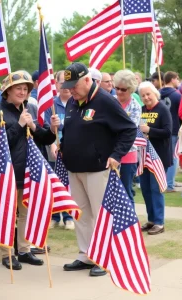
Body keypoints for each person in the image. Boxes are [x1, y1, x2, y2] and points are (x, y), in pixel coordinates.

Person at [60, 62, 136, 277]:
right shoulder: (72, 103)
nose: (71, 90)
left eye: (74, 85)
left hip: (98, 168)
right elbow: (70, 129)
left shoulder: (105, 101)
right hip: (74, 167)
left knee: (102, 214)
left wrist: (116, 155)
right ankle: (85, 254)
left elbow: (129, 129)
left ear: (87, 80)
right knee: (81, 215)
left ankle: (105, 257)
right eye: (68, 86)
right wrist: (64, 147)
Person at [0, 70, 60, 271]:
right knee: (7, 214)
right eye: (18, 88)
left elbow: (46, 139)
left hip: (29, 171)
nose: (22, 92)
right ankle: (7, 253)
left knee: (25, 213)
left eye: (25, 89)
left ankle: (24, 249)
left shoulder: (30, 108)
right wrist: (20, 125)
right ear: (7, 91)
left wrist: (47, 128)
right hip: (8, 172)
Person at [139, 81, 172, 235]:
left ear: (155, 94)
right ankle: (151, 219)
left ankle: (159, 222)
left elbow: (167, 132)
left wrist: (149, 130)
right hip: (144, 156)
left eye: (148, 94)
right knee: (145, 189)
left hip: (159, 157)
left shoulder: (163, 109)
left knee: (155, 189)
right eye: (143, 95)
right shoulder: (141, 110)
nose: (146, 97)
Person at [45, 69, 75, 230]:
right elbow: (47, 128)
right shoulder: (51, 105)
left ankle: (69, 216)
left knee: (70, 184)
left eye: (67, 82)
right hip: (54, 151)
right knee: (54, 184)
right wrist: (52, 145)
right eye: (61, 82)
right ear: (56, 84)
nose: (64, 86)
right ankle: (55, 216)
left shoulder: (76, 103)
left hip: (72, 151)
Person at [113, 70, 141, 205]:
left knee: (125, 191)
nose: (118, 92)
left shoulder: (135, 106)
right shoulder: (110, 101)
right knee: (110, 192)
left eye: (123, 89)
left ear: (130, 89)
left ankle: (130, 224)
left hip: (128, 154)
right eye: (116, 88)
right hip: (109, 154)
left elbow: (130, 131)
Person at [160, 71, 182, 193]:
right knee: (173, 157)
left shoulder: (157, 93)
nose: (178, 81)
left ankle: (162, 181)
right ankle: (169, 184)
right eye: (177, 78)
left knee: (160, 156)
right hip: (173, 128)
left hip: (159, 128)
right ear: (172, 79)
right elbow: (181, 112)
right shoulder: (177, 95)